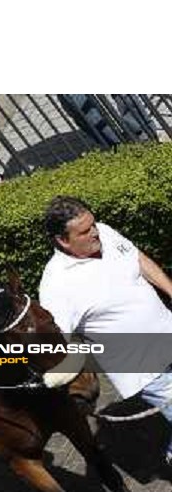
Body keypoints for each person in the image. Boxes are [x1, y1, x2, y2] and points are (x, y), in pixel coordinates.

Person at [39, 195, 172, 466]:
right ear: (63, 240)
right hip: (145, 368)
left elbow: (139, 260)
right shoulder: (56, 286)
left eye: (94, 224)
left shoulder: (106, 233)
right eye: (85, 231)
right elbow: (57, 344)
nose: (96, 232)